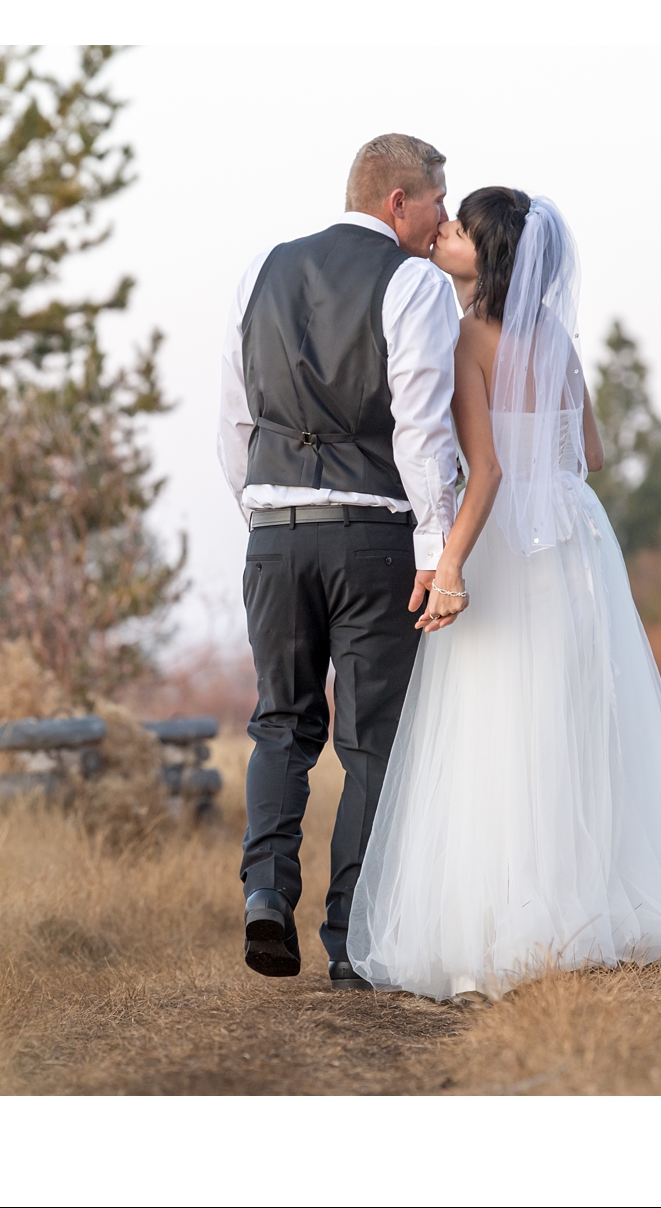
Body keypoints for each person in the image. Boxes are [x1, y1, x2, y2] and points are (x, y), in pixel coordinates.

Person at [346, 188, 661, 1002]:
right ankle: (583, 907)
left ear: (486, 258)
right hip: (575, 540)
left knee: (497, 721)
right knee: (570, 723)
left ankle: (505, 919)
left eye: (458, 229)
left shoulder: (467, 338)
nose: (445, 234)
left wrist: (449, 561)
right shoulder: (557, 340)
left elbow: (486, 471)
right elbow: (590, 452)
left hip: (506, 541)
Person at [216, 134, 463, 990]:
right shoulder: (415, 283)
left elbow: (235, 419)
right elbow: (423, 426)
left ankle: (264, 893)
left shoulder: (261, 270)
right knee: (371, 742)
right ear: (399, 200)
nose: (443, 219)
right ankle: (351, 939)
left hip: (275, 532)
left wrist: (261, 512)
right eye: (437, 199)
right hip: (373, 536)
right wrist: (436, 551)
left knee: (280, 723)